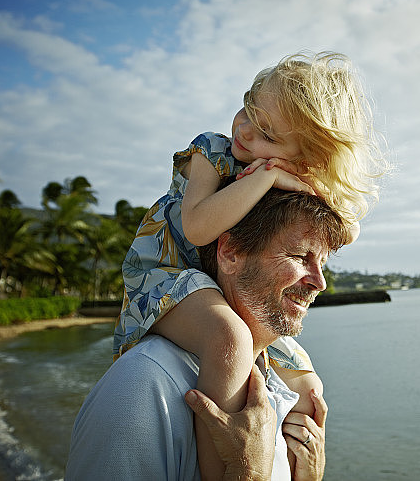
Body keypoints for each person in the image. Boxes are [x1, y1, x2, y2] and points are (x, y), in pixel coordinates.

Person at [113, 52, 385, 478]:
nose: (244, 131)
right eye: (248, 110)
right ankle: (216, 470)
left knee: (310, 386)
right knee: (231, 338)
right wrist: (268, 176)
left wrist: (313, 185)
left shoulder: (289, 174)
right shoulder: (214, 152)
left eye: (268, 135)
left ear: (302, 158)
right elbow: (200, 227)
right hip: (164, 274)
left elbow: (345, 231)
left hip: (209, 283)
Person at [67, 189, 347, 480]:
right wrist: (246, 472)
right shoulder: (142, 388)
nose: (320, 282)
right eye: (300, 256)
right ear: (231, 253)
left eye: (322, 264)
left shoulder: (284, 385)